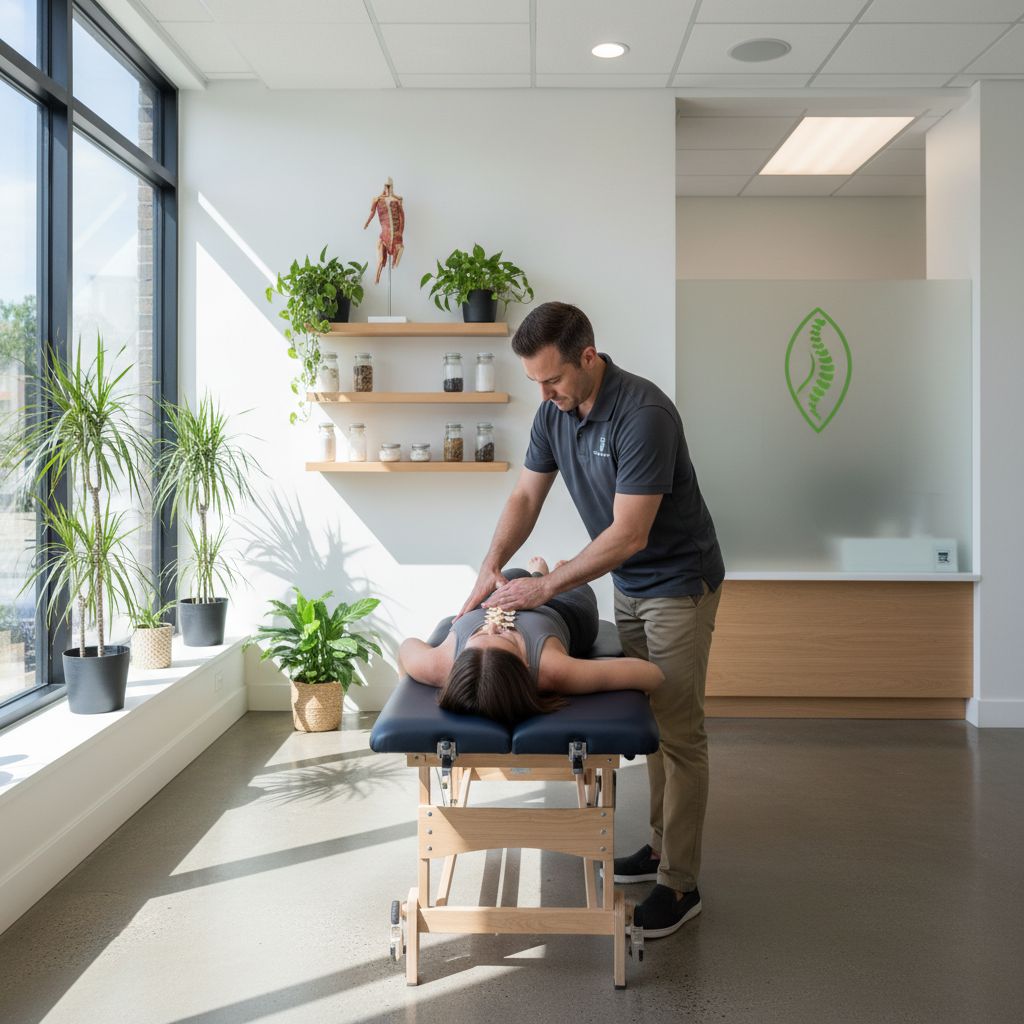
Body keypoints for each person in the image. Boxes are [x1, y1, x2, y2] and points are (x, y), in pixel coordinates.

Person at [458, 301, 724, 939]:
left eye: (552, 380)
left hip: (678, 583)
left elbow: (629, 534)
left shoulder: (643, 415)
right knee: (654, 723)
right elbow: (526, 494)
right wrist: (491, 570)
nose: (544, 394)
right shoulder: (555, 413)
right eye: (535, 385)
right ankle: (660, 848)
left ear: (588, 356)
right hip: (630, 585)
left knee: (680, 730)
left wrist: (543, 586)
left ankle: (680, 885)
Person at [399, 558, 663, 728]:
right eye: (503, 636)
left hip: (502, 596)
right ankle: (552, 576)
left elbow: (407, 646)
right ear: (524, 664)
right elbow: (652, 675)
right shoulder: (553, 669)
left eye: (479, 635)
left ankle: (537, 574)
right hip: (564, 608)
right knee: (574, 580)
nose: (492, 625)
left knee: (511, 573)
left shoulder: (439, 665)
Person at [363, 177, 405, 284]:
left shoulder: (397, 200)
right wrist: (367, 223)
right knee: (381, 260)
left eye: (389, 185)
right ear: (384, 186)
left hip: (396, 237)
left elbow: (402, 217)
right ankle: (376, 279)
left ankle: (394, 264)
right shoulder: (377, 199)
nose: (388, 188)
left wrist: (400, 232)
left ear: (392, 186)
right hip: (384, 236)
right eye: (386, 185)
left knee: (399, 253)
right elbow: (372, 213)